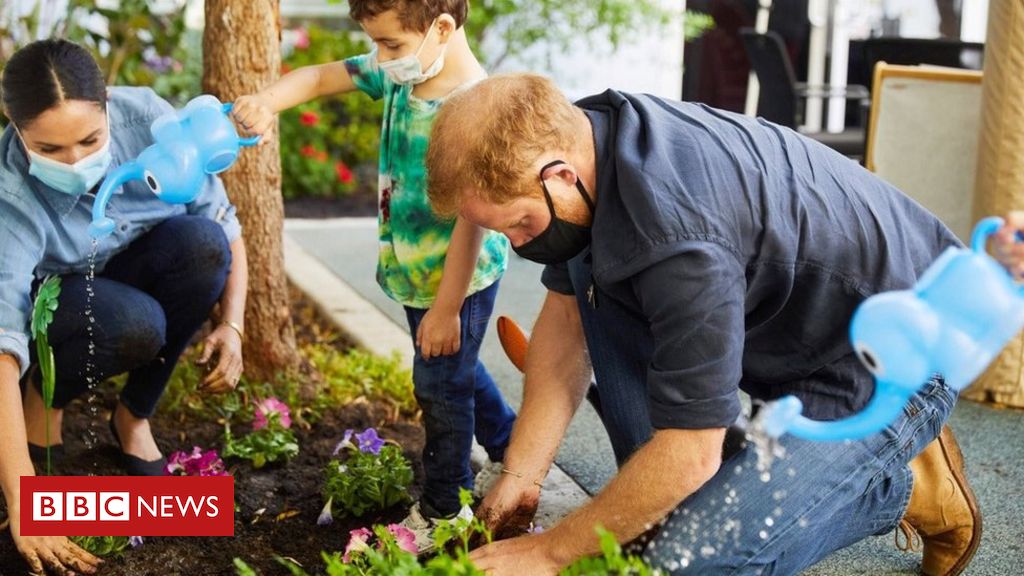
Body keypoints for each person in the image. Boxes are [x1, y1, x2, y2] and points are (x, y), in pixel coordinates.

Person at [424, 73, 982, 576]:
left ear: (561, 175)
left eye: (520, 224)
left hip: (892, 363)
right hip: (795, 343)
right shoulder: (592, 143)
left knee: (683, 563)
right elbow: (568, 320)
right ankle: (735, 485)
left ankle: (896, 485)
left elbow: (691, 452)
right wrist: (521, 477)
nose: (519, 244)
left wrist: (550, 552)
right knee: (638, 521)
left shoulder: (678, 233)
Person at [231, 0, 516, 546]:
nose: (381, 58)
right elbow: (317, 77)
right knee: (454, 367)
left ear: (442, 28)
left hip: (459, 278)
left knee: (439, 384)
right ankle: (510, 446)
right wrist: (266, 102)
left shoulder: (475, 109)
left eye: (391, 46)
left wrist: (447, 307)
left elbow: (473, 223)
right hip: (416, 273)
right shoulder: (402, 73)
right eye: (377, 44)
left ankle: (444, 509)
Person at [0, 39, 248, 574]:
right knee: (134, 323)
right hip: (57, 304)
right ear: (16, 127)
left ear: (108, 106)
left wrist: (233, 325)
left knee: (200, 244)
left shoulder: (151, 123)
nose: (75, 160)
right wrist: (23, 501)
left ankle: (134, 417)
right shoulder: (9, 194)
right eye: (50, 149)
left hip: (132, 266)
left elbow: (225, 229)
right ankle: (44, 401)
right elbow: (1, 341)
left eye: (89, 139)